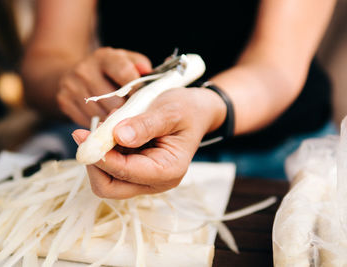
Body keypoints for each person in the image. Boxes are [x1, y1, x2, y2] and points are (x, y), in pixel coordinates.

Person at [21, 0, 336, 199]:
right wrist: (71, 81)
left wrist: (210, 105)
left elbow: (276, 67)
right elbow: (45, 61)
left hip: (282, 157)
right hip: (127, 148)